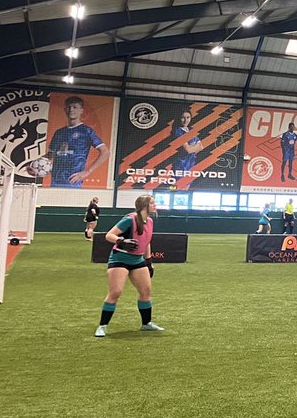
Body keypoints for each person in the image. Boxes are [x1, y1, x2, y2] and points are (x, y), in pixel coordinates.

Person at [95, 194, 163, 337]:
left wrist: (149, 261)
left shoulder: (149, 221)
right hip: (120, 259)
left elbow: (146, 241)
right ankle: (102, 326)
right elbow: (109, 235)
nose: (155, 206)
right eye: (153, 203)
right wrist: (121, 241)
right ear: (145, 206)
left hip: (138, 260)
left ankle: (146, 324)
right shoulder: (129, 219)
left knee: (146, 291)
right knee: (116, 292)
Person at [48, 96, 110, 187]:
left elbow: (105, 152)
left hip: (72, 182)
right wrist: (38, 166)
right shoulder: (59, 132)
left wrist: (88, 171)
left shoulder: (86, 131)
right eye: (68, 107)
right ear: (65, 109)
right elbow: (50, 154)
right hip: (55, 180)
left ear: (81, 110)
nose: (71, 110)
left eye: (75, 107)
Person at [171, 108, 202, 174]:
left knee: (188, 183)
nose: (186, 120)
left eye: (188, 117)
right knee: (179, 183)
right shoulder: (177, 131)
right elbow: (188, 150)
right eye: (183, 117)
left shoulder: (191, 129)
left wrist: (191, 147)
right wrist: (195, 146)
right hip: (181, 164)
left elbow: (201, 147)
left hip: (191, 162)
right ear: (179, 118)